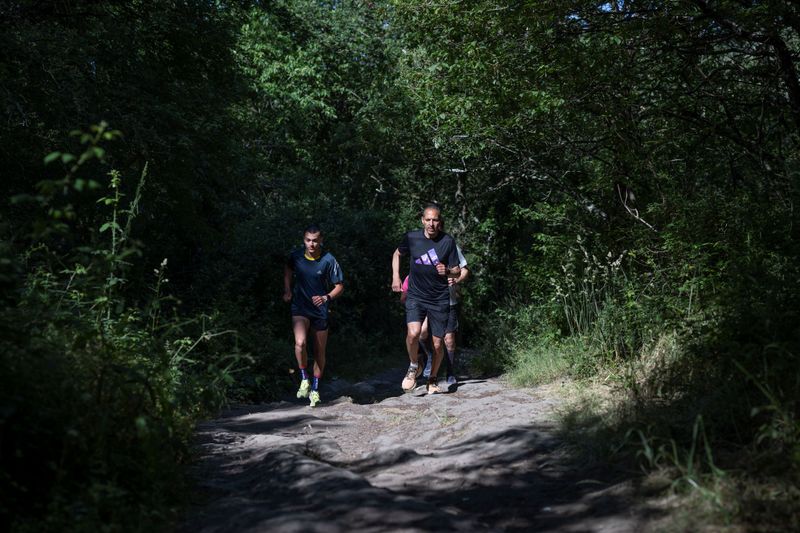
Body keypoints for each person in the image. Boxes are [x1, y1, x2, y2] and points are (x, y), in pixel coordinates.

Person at [392, 204, 461, 394]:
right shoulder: (412, 237)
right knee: (413, 333)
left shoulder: (448, 242)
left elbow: (457, 271)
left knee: (438, 343)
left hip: (439, 298)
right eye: (428, 219)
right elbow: (397, 254)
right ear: (423, 220)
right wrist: (396, 276)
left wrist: (447, 271)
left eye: (435, 220)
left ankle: (432, 379)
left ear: (440, 222)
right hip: (415, 295)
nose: (431, 224)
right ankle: (414, 365)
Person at [283, 225, 344, 407]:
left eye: (315, 240)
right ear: (304, 240)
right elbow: (287, 269)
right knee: (300, 343)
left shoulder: (328, 260)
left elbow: (339, 286)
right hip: (300, 307)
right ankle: (304, 378)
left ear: (321, 241)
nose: (311, 244)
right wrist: (287, 290)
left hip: (319, 310)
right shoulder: (296, 256)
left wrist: (326, 297)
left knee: (319, 352)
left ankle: (315, 389)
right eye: (308, 240)